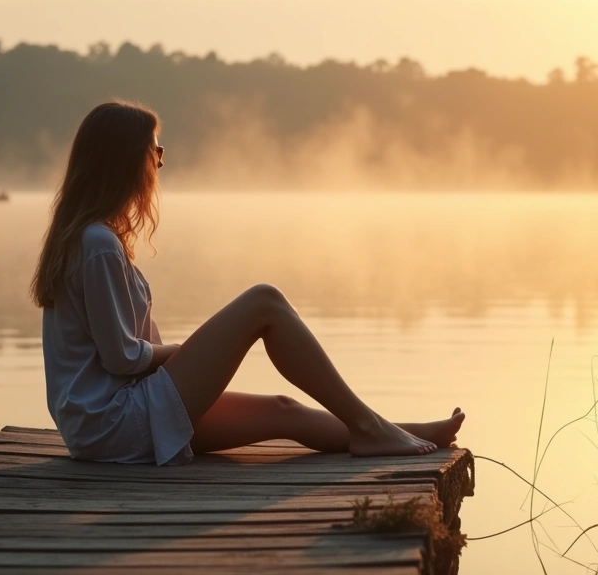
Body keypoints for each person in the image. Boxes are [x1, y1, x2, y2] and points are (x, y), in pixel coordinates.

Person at [31, 101, 465, 466]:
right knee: (265, 302)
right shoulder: (97, 243)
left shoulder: (90, 237)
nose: (159, 163)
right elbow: (122, 357)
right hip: (116, 423)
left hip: (114, 420)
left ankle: (398, 431)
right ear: (127, 162)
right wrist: (189, 354)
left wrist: (190, 361)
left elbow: (119, 356)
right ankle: (372, 428)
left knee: (284, 411)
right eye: (155, 152)